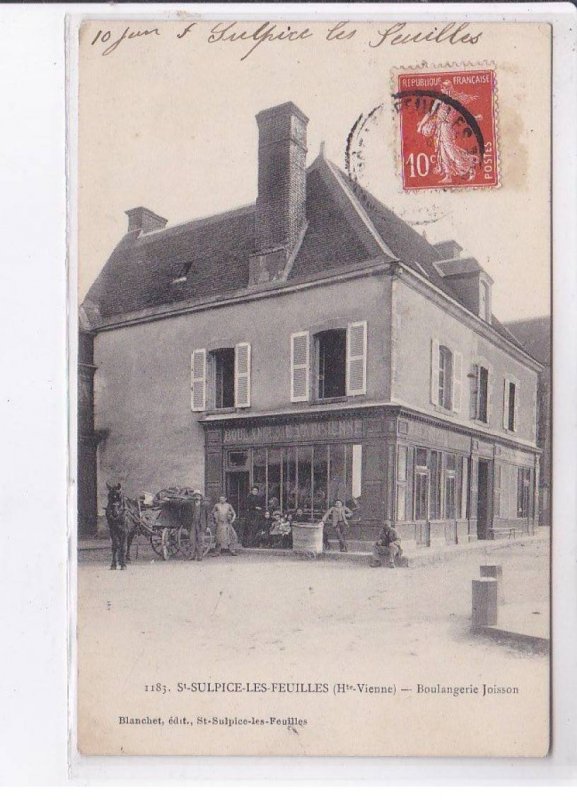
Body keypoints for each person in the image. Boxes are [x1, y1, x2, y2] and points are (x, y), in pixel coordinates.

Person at [187, 490, 211, 562]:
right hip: (193, 524)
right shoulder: (192, 505)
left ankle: (200, 556)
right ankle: (192, 555)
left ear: (201, 497)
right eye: (196, 496)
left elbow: (208, 516)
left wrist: (207, 526)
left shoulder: (204, 505)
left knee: (201, 540)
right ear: (194, 497)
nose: (197, 497)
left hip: (201, 525)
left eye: (198, 495)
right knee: (192, 540)